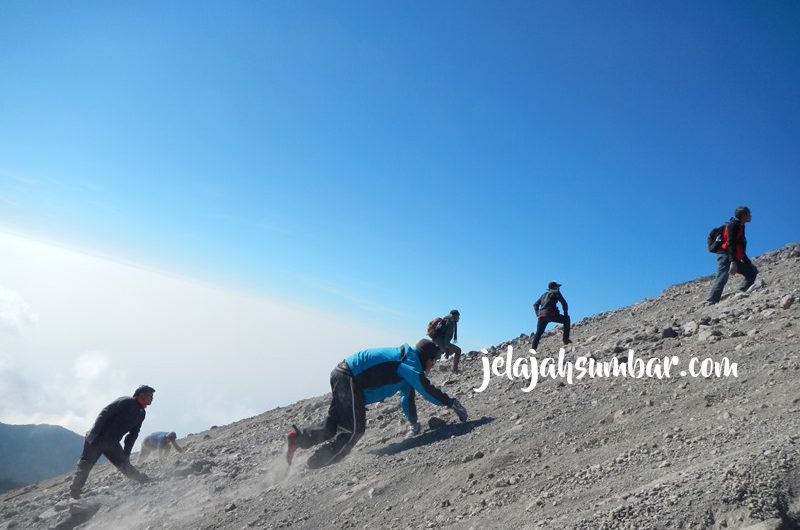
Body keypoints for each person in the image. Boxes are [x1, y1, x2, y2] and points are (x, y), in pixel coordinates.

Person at [285, 339, 468, 469]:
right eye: (433, 361)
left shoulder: (407, 366)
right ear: (425, 358)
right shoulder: (408, 363)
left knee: (332, 425)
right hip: (348, 377)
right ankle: (316, 464)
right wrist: (451, 403)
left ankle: (298, 438)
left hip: (344, 376)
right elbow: (426, 390)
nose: (433, 365)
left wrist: (413, 423)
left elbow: (408, 396)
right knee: (355, 430)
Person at [68, 385, 154, 499]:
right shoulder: (126, 401)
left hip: (112, 443)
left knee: (124, 465)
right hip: (97, 438)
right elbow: (105, 413)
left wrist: (127, 453)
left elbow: (133, 434)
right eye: (150, 395)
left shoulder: (141, 413)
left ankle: (144, 480)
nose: (152, 398)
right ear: (141, 395)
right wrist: (94, 433)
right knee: (85, 465)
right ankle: (74, 493)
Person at [706, 206, 758, 304]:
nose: (750, 216)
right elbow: (730, 243)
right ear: (743, 215)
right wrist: (733, 262)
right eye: (748, 214)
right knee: (722, 276)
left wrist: (748, 262)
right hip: (724, 254)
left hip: (732, 256)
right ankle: (711, 301)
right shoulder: (733, 225)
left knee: (752, 271)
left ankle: (740, 293)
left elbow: (739, 247)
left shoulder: (741, 226)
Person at [531, 281, 572, 350]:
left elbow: (535, 304)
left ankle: (533, 350)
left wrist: (538, 314)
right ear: (555, 287)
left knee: (538, 333)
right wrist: (565, 314)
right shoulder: (556, 292)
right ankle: (565, 339)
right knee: (567, 320)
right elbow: (564, 303)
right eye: (558, 286)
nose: (559, 288)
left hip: (541, 316)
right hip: (551, 314)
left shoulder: (543, 295)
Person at [431, 309, 462, 373]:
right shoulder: (451, 321)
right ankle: (455, 370)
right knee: (458, 350)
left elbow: (444, 335)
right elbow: (446, 343)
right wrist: (447, 350)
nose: (459, 318)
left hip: (436, 340)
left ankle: (430, 368)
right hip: (440, 342)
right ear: (455, 316)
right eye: (458, 316)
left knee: (435, 355)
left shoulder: (447, 318)